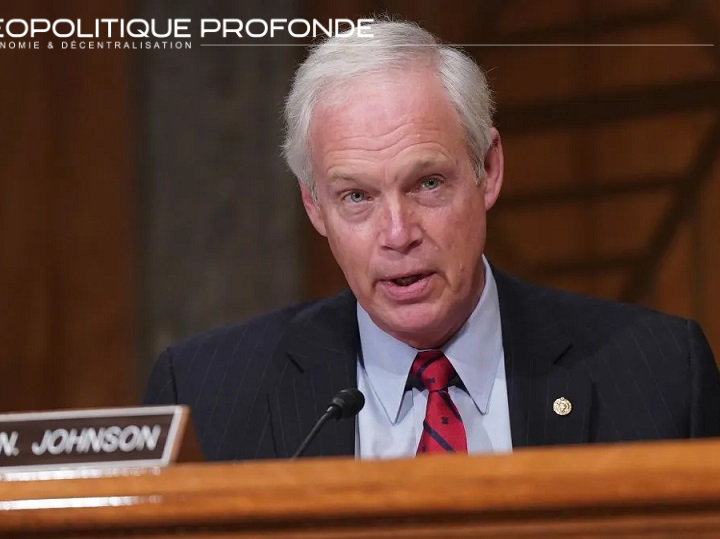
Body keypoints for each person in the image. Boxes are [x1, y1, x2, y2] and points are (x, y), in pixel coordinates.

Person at [142, 19, 720, 461]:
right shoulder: (207, 394)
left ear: (488, 170)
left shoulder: (661, 373)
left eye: (428, 183)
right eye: (357, 197)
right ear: (314, 207)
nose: (397, 234)